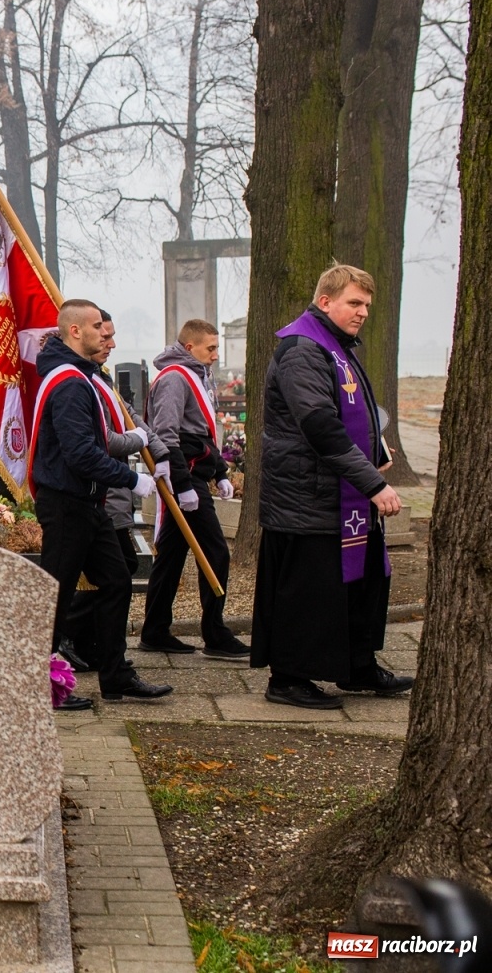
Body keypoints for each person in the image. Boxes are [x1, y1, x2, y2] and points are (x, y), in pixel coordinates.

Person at [251, 265, 411, 709]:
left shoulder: (338, 347)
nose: (363, 313)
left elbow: (354, 411)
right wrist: (373, 482)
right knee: (310, 592)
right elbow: (320, 426)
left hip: (341, 496)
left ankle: (357, 665)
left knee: (362, 582)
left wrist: (375, 449)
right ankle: (287, 679)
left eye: (366, 306)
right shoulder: (303, 349)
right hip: (308, 498)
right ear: (326, 302)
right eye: (354, 303)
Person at [30, 300, 172, 705]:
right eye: (98, 328)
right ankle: (39, 681)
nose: (106, 335)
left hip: (87, 505)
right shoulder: (71, 383)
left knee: (116, 579)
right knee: (54, 594)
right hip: (67, 504)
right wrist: (133, 479)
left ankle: (115, 674)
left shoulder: (81, 376)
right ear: (75, 331)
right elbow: (81, 453)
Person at [141, 319, 249, 659]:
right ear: (190, 348)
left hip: (195, 475)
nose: (216, 355)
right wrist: (184, 486)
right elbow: (167, 435)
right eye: (211, 348)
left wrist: (221, 473)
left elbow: (203, 432)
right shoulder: (175, 378)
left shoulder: (199, 375)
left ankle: (155, 630)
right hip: (183, 478)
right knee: (216, 552)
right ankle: (215, 634)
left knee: (170, 557)